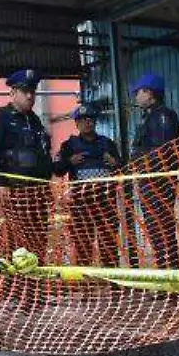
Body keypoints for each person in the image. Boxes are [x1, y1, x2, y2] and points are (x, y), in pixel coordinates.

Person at [0, 69, 54, 259]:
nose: (30, 96)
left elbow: (43, 154)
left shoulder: (35, 121)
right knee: (16, 243)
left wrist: (47, 185)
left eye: (33, 91)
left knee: (39, 240)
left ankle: (36, 286)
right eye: (25, 91)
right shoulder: (0, 117)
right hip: (14, 192)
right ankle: (15, 287)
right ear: (13, 92)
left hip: (37, 193)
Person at [54, 103, 123, 266]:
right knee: (83, 243)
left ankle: (112, 282)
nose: (87, 123)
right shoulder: (69, 145)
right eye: (83, 120)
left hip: (106, 203)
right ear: (76, 124)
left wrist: (114, 162)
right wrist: (69, 161)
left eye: (90, 119)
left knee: (109, 244)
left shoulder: (108, 143)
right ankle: (86, 284)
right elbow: (57, 170)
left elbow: (122, 167)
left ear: (96, 122)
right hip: (81, 204)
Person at [126, 72, 179, 268]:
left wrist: (139, 159)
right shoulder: (149, 117)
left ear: (149, 93)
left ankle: (171, 274)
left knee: (162, 229)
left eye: (138, 92)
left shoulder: (163, 116)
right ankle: (164, 272)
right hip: (148, 181)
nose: (136, 97)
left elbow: (163, 151)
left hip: (158, 183)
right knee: (154, 229)